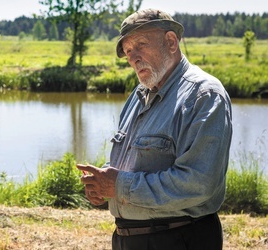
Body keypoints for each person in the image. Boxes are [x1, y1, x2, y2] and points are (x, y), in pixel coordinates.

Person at [77, 8, 232, 250]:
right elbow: (135, 165)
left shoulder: (204, 95)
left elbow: (199, 183)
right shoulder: (138, 95)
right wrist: (103, 182)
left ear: (170, 42)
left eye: (140, 44)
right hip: (128, 239)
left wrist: (118, 186)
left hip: (179, 238)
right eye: (128, 51)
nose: (133, 57)